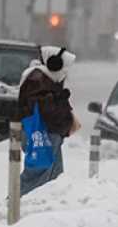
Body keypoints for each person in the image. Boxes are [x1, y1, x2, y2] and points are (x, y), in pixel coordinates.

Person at [18, 46, 80, 196]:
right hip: (41, 133)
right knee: (36, 175)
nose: (65, 73)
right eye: (64, 68)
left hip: (49, 133)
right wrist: (58, 100)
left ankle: (39, 206)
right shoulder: (37, 79)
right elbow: (41, 107)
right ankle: (15, 204)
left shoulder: (47, 80)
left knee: (53, 177)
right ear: (55, 64)